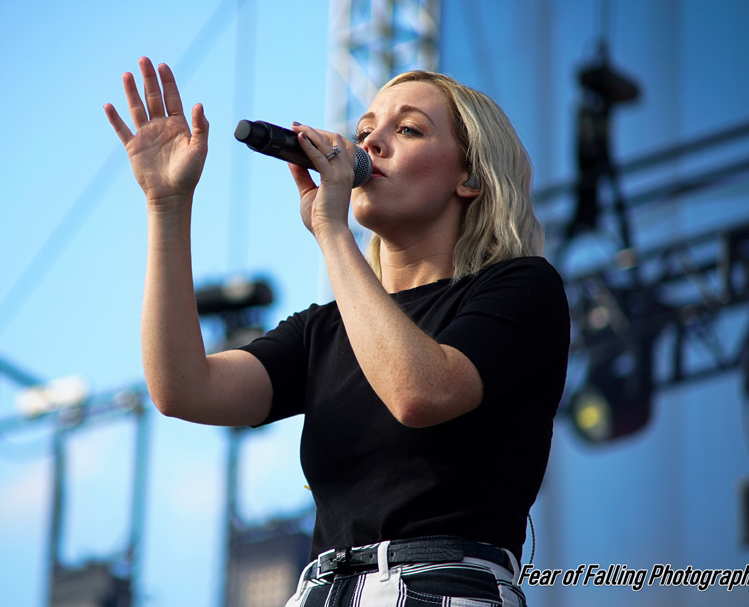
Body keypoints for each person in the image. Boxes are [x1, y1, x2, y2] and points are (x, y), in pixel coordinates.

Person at [105, 57, 570, 607]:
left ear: (469, 177)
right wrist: (167, 204)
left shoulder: (522, 288)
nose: (370, 144)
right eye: (364, 130)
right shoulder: (325, 329)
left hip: (439, 585)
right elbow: (183, 388)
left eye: (408, 129)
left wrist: (331, 231)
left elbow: (419, 392)